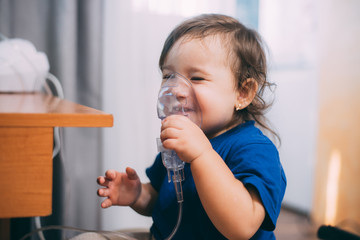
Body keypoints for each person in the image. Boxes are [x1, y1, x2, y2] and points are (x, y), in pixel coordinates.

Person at [97, 13, 286, 240]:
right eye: (168, 76)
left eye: (196, 78)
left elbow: (242, 227)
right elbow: (165, 203)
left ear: (242, 93)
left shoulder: (255, 150)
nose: (175, 89)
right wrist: (138, 195)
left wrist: (202, 155)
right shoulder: (178, 142)